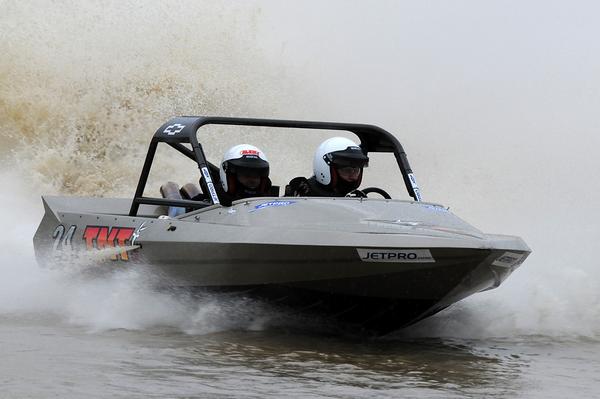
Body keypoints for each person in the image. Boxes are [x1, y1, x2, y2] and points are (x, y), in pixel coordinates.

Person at [286, 137, 368, 197]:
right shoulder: (302, 194)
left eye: (356, 170)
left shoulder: (357, 200)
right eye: (347, 170)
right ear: (325, 168)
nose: (353, 176)